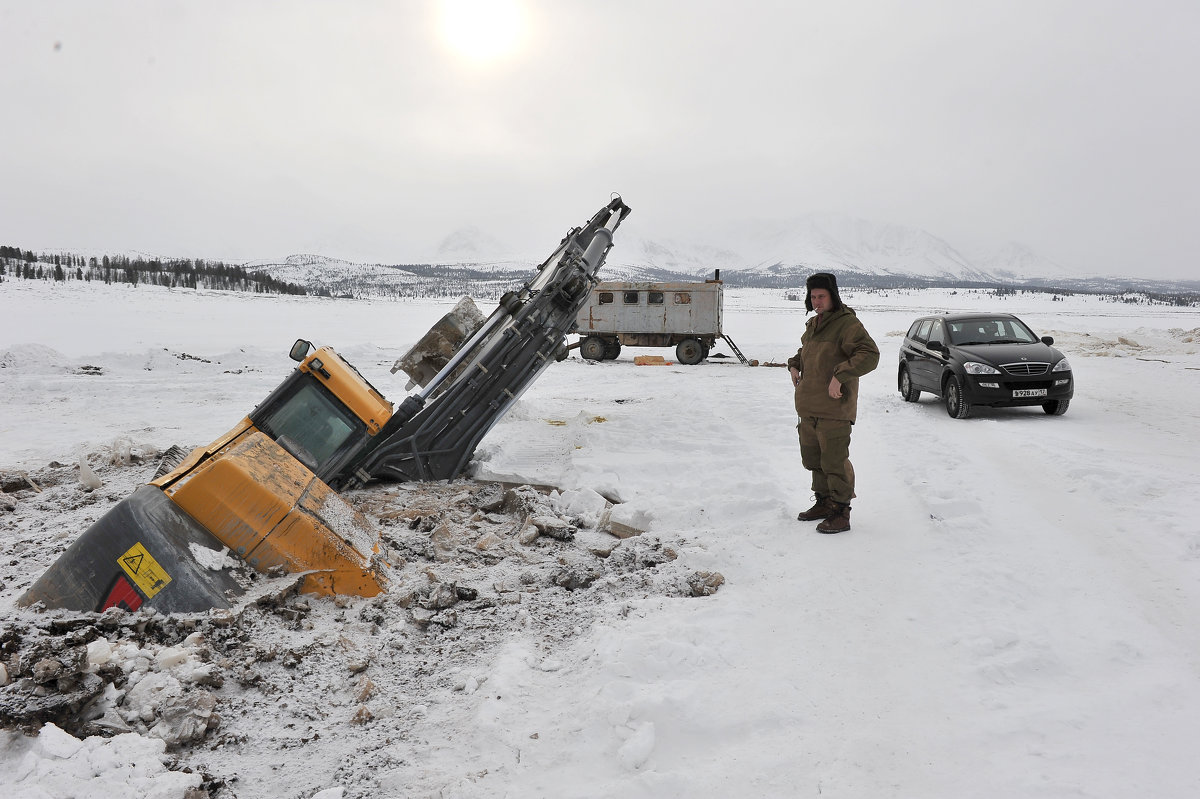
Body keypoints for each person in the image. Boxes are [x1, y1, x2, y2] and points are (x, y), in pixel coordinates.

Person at [787, 272, 879, 533]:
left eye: (821, 296)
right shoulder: (814, 325)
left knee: (834, 461)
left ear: (833, 296)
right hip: (809, 407)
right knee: (814, 459)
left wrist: (840, 376)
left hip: (834, 408)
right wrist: (794, 365)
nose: (817, 301)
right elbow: (805, 353)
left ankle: (841, 512)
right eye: (813, 296)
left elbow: (870, 354)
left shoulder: (846, 324)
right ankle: (824, 502)